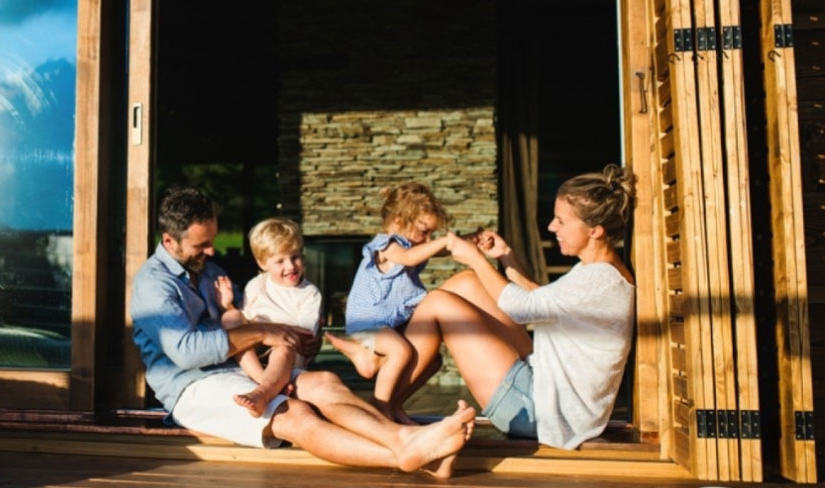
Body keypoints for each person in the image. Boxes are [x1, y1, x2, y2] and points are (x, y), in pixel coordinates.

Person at [130, 186, 475, 476]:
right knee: (294, 413)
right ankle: (407, 453)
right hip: (192, 385)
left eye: (212, 240)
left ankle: (412, 442)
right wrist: (265, 332)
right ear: (169, 241)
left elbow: (246, 314)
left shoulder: (206, 269)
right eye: (201, 245)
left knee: (325, 383)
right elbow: (188, 352)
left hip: (239, 369)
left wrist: (292, 340)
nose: (212, 251)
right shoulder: (153, 285)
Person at [401, 165, 636, 449]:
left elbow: (522, 308)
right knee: (465, 283)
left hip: (541, 412)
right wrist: (505, 256)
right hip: (544, 382)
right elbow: (539, 298)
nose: (551, 227)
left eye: (561, 221)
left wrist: (476, 258)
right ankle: (392, 382)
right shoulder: (597, 270)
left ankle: (385, 398)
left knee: (439, 302)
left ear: (595, 231)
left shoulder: (598, 280)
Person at [324, 181, 450, 424]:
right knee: (400, 351)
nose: (429, 239)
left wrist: (467, 240)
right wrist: (444, 242)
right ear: (399, 222)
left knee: (433, 361)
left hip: (389, 323)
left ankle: (394, 403)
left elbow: (441, 250)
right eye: (424, 231)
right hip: (368, 322)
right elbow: (409, 258)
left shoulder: (414, 243)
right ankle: (380, 409)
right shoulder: (387, 244)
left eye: (432, 234)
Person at [215, 217, 322, 417]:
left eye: (295, 257)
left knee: (283, 348)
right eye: (280, 261)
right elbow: (244, 324)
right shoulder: (256, 285)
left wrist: (266, 331)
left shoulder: (310, 293)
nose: (290, 266)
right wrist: (227, 304)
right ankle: (262, 379)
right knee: (231, 317)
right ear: (262, 263)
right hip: (256, 352)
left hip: (288, 352)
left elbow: (303, 335)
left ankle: (263, 393)